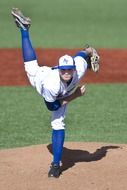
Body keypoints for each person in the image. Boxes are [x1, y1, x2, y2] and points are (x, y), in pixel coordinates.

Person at [11, 8, 100, 178]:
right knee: (31, 67)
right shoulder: (51, 84)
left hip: (61, 90)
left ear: (73, 69)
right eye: (64, 70)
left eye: (69, 69)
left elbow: (82, 53)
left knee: (58, 123)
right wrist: (75, 96)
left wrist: (90, 51)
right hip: (42, 80)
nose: (67, 72)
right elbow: (52, 106)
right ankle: (24, 30)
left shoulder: (78, 68)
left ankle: (55, 164)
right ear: (59, 69)